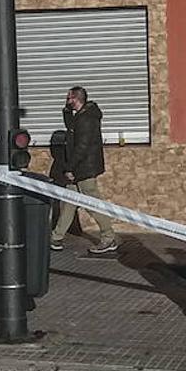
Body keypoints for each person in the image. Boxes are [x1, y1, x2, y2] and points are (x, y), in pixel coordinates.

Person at [50, 86, 118, 255]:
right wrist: (66, 110)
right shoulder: (79, 116)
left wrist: (70, 167)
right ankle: (56, 237)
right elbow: (70, 127)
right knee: (69, 202)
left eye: (68, 98)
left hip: (84, 169)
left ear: (75, 99)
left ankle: (108, 237)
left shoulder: (87, 119)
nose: (67, 101)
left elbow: (82, 147)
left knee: (92, 204)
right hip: (79, 167)